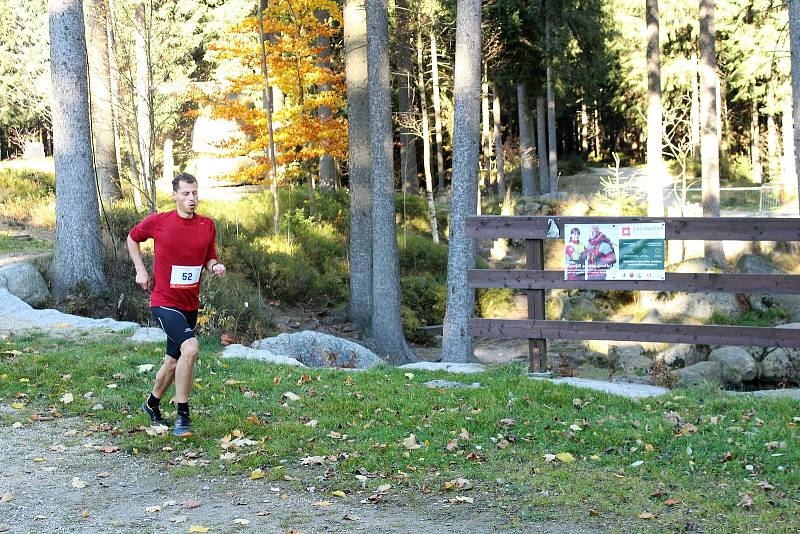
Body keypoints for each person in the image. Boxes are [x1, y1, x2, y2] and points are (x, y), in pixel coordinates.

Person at [127, 173, 226, 437]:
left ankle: (151, 404)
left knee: (173, 363)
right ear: (175, 195)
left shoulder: (207, 225)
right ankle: (183, 416)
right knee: (190, 349)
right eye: (185, 193)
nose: (191, 198)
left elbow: (208, 256)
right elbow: (132, 238)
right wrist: (140, 270)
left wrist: (214, 265)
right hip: (164, 302)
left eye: (194, 193)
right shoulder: (160, 222)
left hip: (190, 305)